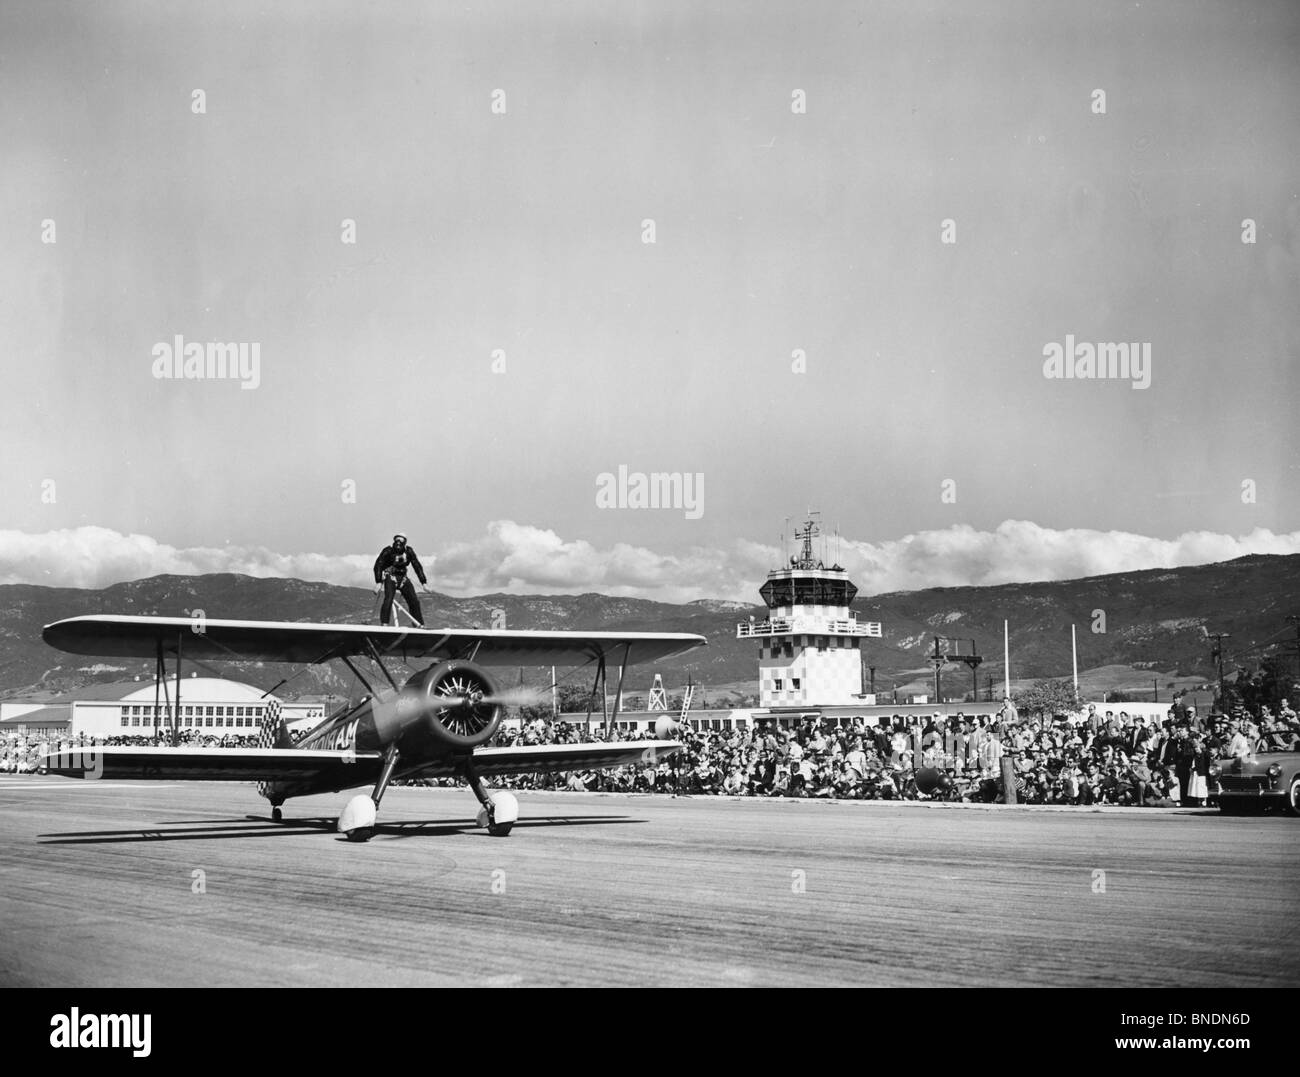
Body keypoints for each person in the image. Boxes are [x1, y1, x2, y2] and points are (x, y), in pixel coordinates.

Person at [373, 533, 431, 626]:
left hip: (403, 578)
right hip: (390, 576)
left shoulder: (409, 551)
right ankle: (384, 624)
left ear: (405, 542)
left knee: (414, 601)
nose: (398, 542)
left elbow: (417, 566)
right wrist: (378, 582)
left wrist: (424, 583)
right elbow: (378, 565)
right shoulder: (388, 551)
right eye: (396, 540)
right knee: (389, 599)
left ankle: (419, 625)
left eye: (401, 540)